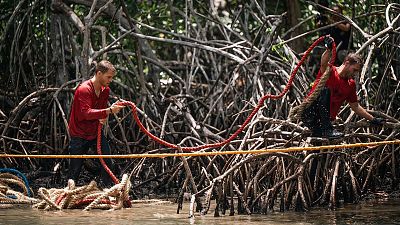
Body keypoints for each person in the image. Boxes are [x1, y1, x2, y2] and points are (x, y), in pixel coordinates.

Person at [301, 36, 384, 139]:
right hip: (310, 114)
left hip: (323, 122)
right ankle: (327, 130)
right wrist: (329, 49)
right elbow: (323, 63)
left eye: (357, 72)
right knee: (325, 90)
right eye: (354, 70)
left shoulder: (350, 84)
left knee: (319, 148)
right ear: (347, 63)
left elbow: (356, 107)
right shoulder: (330, 71)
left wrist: (373, 119)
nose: (355, 74)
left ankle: (324, 131)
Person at [67, 60, 124, 186]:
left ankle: (107, 190)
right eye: (108, 77)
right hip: (79, 133)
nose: (110, 80)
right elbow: (86, 113)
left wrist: (104, 116)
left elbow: (100, 112)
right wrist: (109, 110)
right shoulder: (84, 89)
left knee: (107, 161)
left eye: (112, 77)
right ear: (99, 73)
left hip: (94, 132)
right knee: (75, 168)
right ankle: (68, 194)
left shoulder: (106, 91)